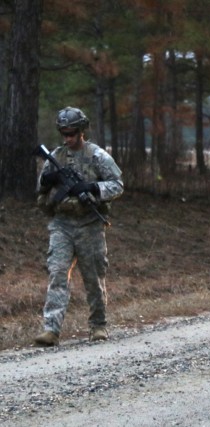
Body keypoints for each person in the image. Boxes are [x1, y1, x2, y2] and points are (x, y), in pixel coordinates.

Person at [34, 106, 124, 346]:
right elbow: (41, 190)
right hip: (61, 224)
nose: (68, 138)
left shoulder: (97, 156)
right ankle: (51, 329)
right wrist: (48, 180)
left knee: (93, 278)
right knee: (57, 274)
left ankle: (98, 325)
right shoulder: (56, 156)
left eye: (72, 133)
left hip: (89, 225)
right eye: (64, 133)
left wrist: (93, 188)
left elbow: (118, 185)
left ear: (82, 131)